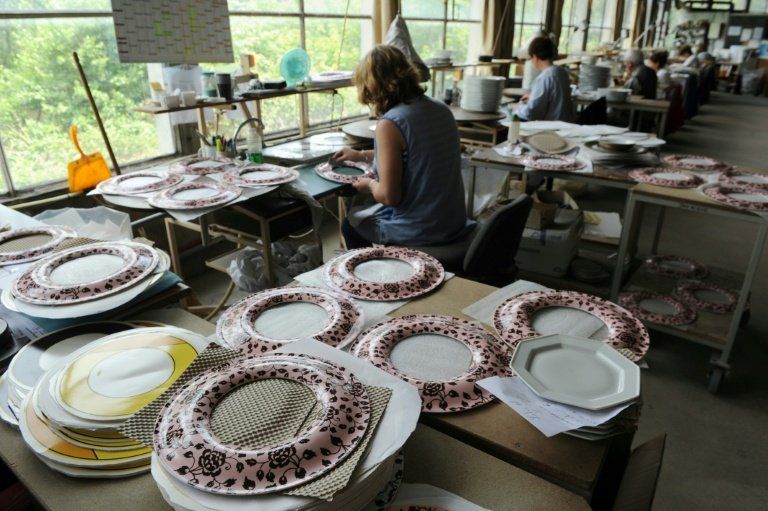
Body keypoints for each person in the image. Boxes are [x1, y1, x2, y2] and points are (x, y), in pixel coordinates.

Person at [334, 45, 472, 249]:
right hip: (453, 221)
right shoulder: (441, 109)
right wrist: (360, 155)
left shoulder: (390, 124)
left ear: (372, 87)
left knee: (350, 226)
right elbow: (416, 154)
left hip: (424, 230)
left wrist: (369, 185)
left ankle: (381, 267)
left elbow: (389, 196)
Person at [515, 36, 574, 122]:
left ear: (535, 57)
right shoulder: (562, 72)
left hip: (550, 127)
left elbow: (531, 113)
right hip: (567, 124)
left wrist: (518, 107)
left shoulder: (544, 78)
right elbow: (554, 99)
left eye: (531, 58)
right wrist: (532, 98)